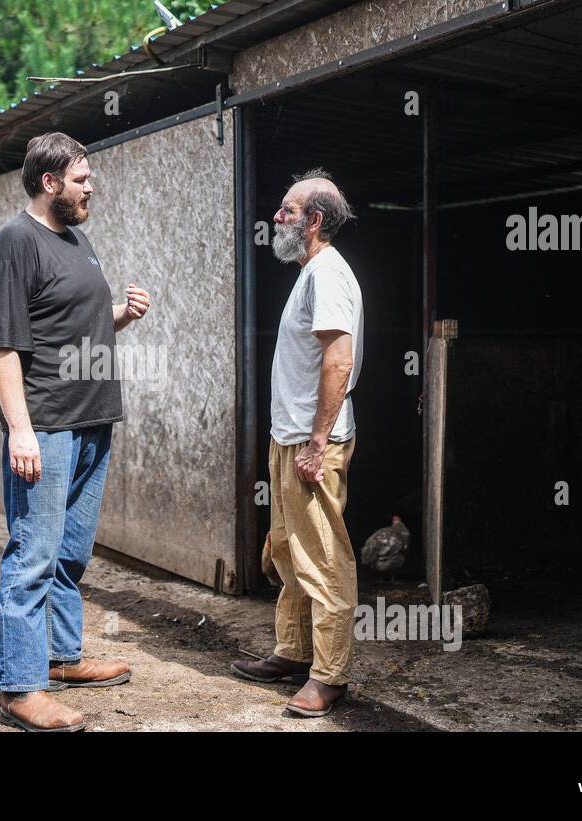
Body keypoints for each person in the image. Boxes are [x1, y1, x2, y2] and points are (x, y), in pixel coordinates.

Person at [0, 132, 151, 732]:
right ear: (49, 182)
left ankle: (61, 657)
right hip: (46, 426)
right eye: (81, 179)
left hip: (92, 420)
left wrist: (120, 316)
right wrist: (19, 432)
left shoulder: (76, 240)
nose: (90, 187)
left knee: (70, 553)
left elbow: (72, 324)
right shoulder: (12, 245)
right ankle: (20, 687)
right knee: (32, 554)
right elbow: (2, 345)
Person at [231, 168, 362, 717]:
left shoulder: (328, 275)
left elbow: (339, 358)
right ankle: (294, 651)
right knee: (288, 549)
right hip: (289, 438)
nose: (276, 217)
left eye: (287, 210)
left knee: (323, 558)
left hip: (312, 442)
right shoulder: (309, 273)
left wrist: (316, 441)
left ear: (313, 220)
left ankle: (329, 676)